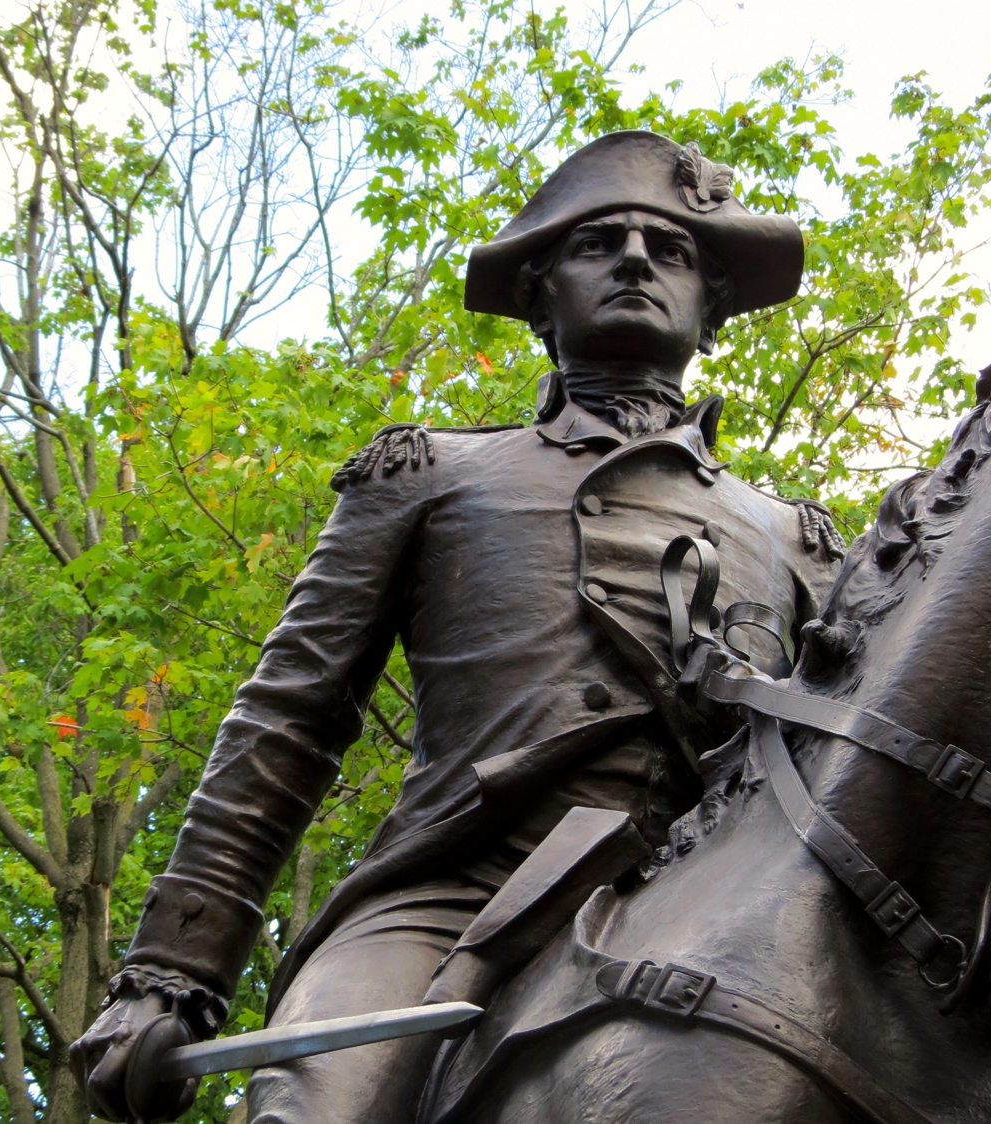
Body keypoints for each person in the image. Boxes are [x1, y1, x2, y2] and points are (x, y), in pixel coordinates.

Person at [70, 130, 845, 1124]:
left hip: (716, 911)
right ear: (536, 292)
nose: (639, 261)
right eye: (598, 242)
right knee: (318, 1113)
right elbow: (287, 721)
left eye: (674, 250)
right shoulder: (430, 474)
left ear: (715, 306)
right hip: (451, 900)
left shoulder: (797, 537)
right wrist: (170, 969)